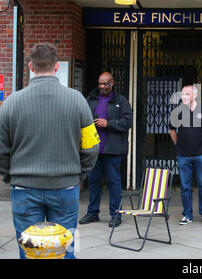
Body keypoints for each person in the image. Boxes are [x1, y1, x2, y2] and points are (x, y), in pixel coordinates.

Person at [0, 42, 99, 259]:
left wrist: (10, 176)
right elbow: (91, 146)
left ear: (30, 66)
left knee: (29, 251)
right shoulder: (78, 101)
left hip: (24, 188)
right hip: (65, 187)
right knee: (66, 248)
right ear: (56, 67)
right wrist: (78, 174)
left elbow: (1, 150)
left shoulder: (10, 103)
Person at [79, 72, 133, 228]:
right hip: (94, 150)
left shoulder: (121, 101)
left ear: (112, 83)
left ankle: (116, 214)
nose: (102, 86)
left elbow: (127, 122)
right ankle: (92, 213)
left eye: (105, 84)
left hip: (113, 150)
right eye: (100, 83)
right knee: (94, 182)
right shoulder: (91, 99)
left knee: (114, 182)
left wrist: (108, 123)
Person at [169, 85, 202, 225]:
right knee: (185, 187)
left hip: (201, 154)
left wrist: (199, 136)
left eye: (187, 94)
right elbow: (171, 131)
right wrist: (179, 145)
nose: (184, 96)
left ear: (194, 95)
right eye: (182, 94)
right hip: (183, 155)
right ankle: (187, 214)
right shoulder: (177, 111)